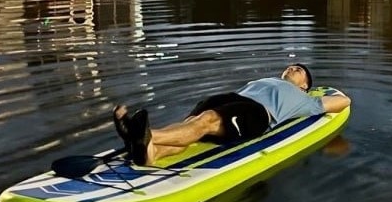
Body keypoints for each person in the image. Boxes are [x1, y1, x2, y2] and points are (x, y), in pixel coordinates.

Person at [113, 64, 351, 166]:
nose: (292, 68)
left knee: (206, 122)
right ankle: (151, 152)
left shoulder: (305, 100)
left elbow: (343, 101)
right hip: (232, 100)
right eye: (291, 67)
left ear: (304, 86)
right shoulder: (267, 80)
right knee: (194, 126)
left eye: (299, 71)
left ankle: (143, 134)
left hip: (256, 114)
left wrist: (320, 98)